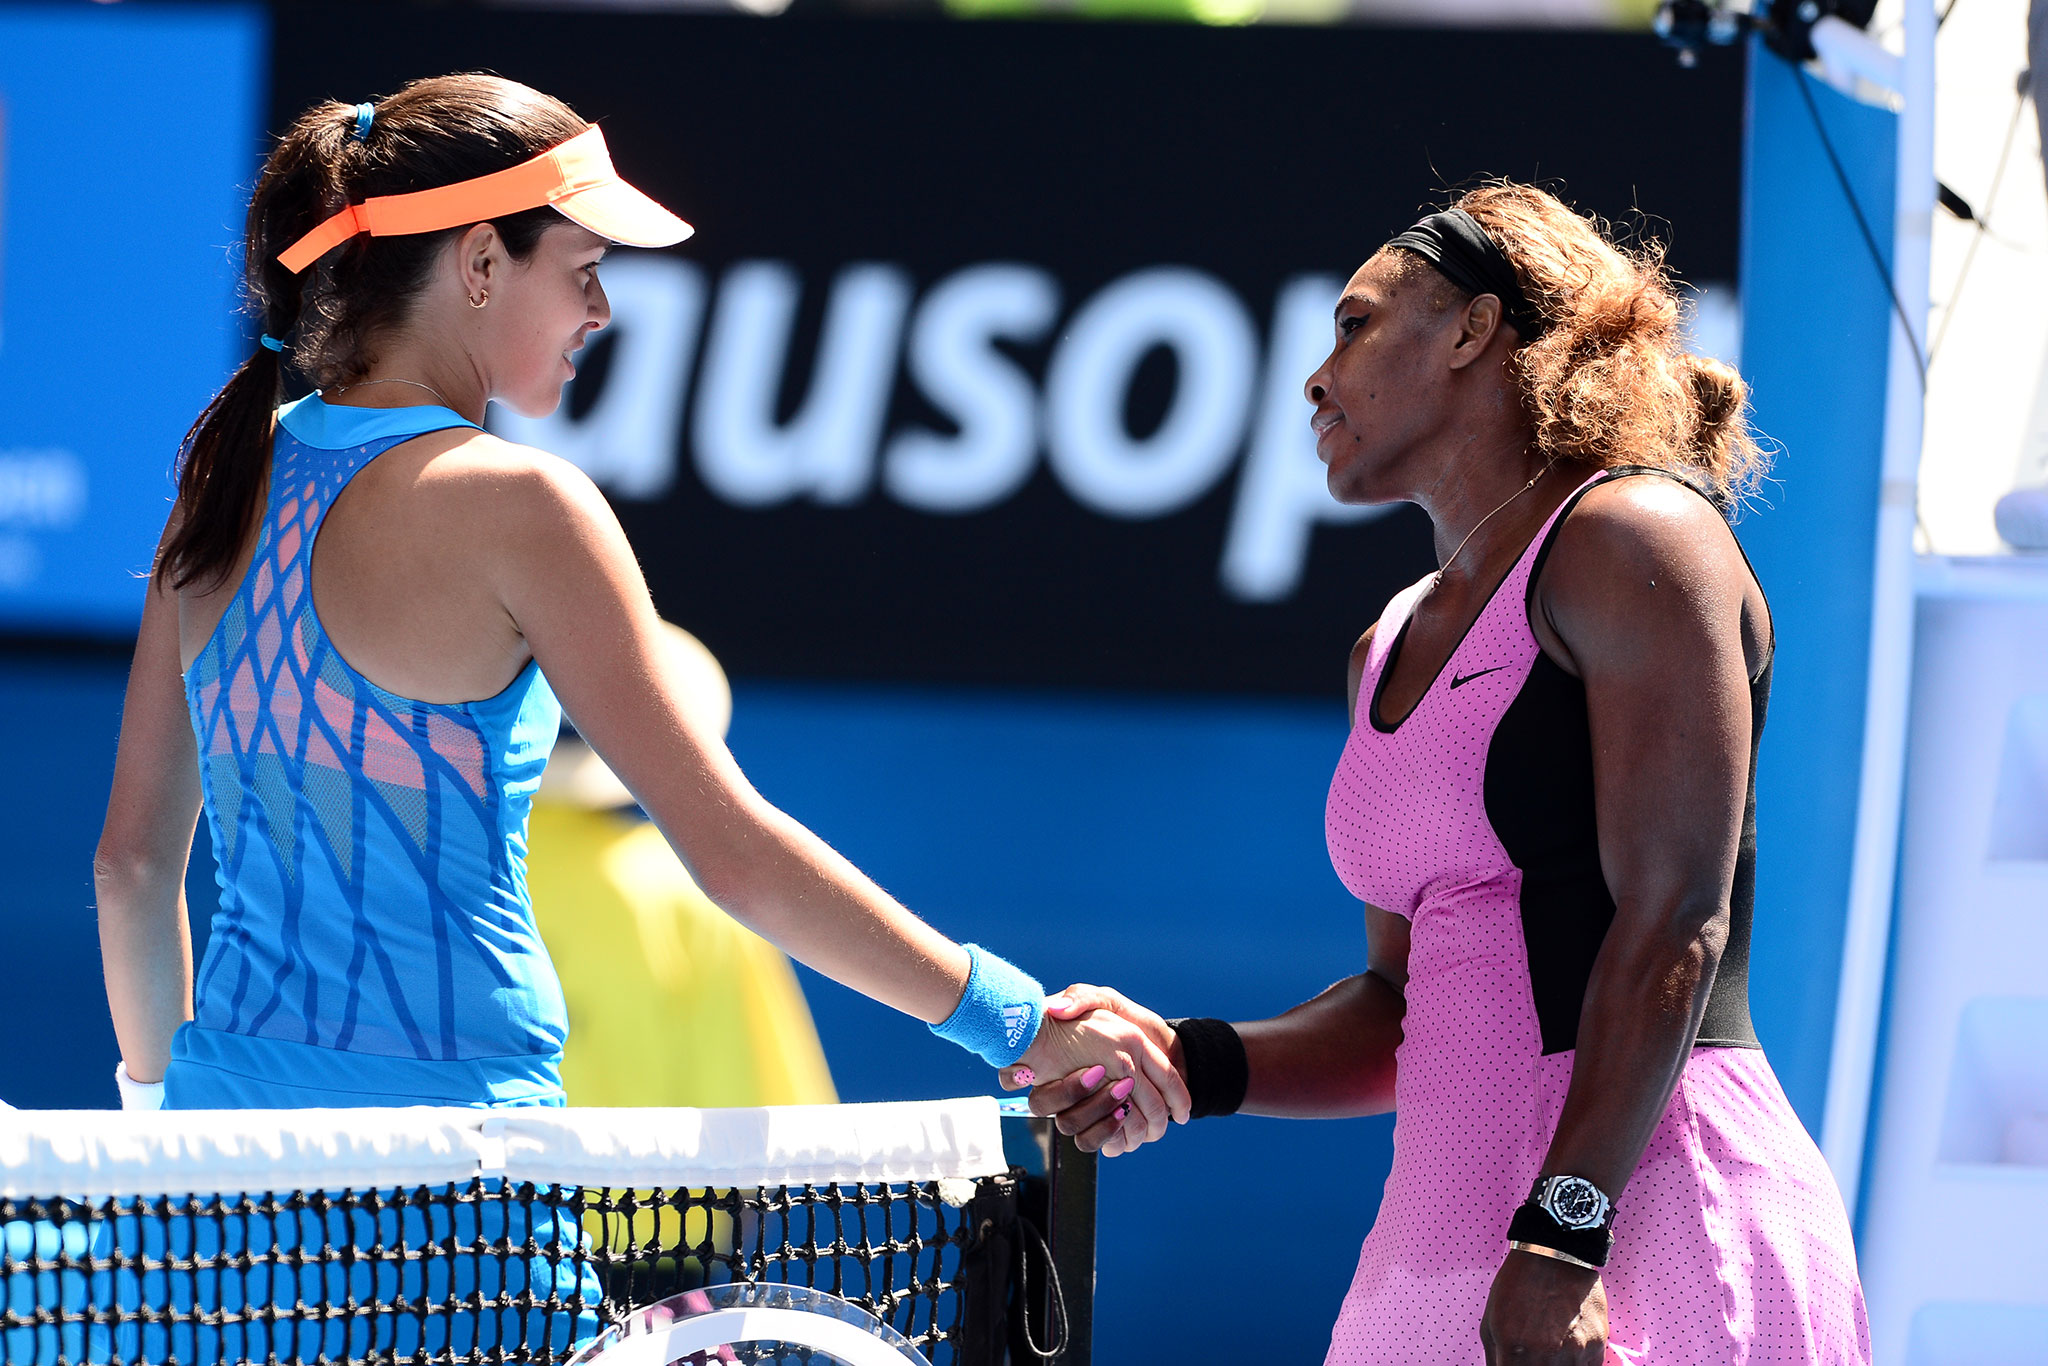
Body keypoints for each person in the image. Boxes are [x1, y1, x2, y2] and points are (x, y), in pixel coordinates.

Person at [91, 75, 1183, 1125]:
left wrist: (159, 1133)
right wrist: (1014, 1019)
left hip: (223, 1178)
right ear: (479, 262)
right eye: (582, 268)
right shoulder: (524, 503)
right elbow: (733, 854)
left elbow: (132, 867)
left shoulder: (221, 481)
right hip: (457, 1187)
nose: (602, 308)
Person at [1017, 184, 1872, 1365]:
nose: (1315, 378)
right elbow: (1402, 1005)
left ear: (1472, 331)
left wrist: (1564, 1232)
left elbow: (1674, 918)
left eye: (1354, 325)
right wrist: (1190, 1059)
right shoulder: (1384, 641)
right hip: (1436, 1251)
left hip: (1642, 1222)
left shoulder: (1633, 539)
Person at [529, 622, 837, 1108]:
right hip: (647, 1186)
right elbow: (756, 1110)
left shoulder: (423, 870)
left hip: (445, 1185)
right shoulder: (695, 889)